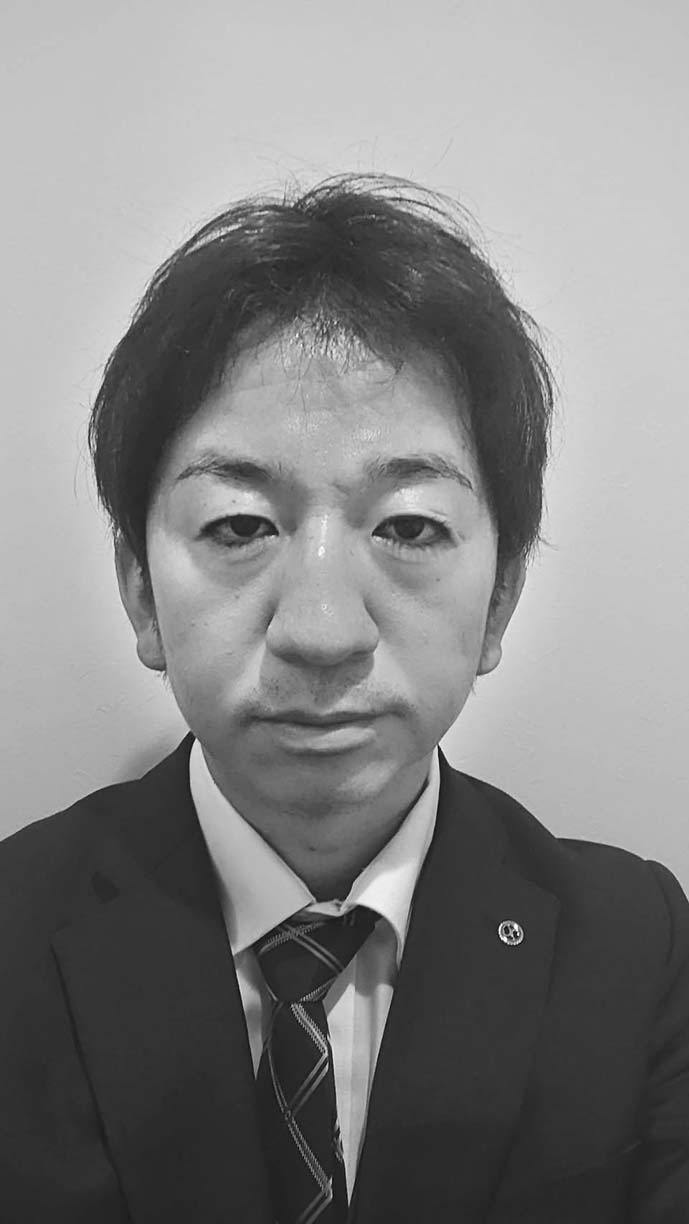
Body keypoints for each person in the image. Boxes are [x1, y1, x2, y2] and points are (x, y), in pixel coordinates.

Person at [1, 174, 688, 1224]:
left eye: (408, 527)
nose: (321, 632)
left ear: (498, 598)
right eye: (238, 526)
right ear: (141, 591)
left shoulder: (636, 948)